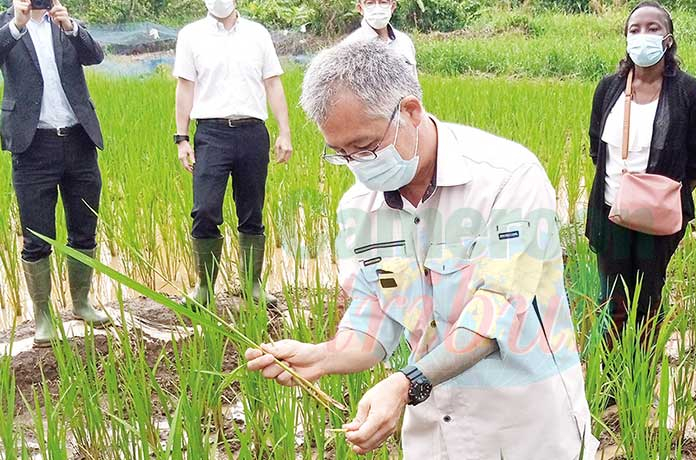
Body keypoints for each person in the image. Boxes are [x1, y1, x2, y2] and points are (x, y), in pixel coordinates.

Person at [245, 40, 598, 459]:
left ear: (410, 111)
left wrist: (405, 382)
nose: (358, 164)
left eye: (366, 146)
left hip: (524, 429)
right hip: (436, 435)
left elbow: (495, 312)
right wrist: (323, 357)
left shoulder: (507, 178)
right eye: (341, 154)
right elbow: (374, 312)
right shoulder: (360, 207)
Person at [586, 2, 696, 349]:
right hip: (610, 212)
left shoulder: (690, 92)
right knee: (613, 301)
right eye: (634, 29)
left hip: (659, 220)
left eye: (653, 28)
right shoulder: (608, 88)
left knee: (648, 299)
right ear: (626, 38)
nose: (643, 35)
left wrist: (662, 197)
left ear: (668, 39)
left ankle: (641, 373)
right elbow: (597, 148)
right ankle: (610, 377)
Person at [0, 0, 110, 347]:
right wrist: (17, 24)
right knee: (37, 235)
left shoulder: (63, 23)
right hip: (33, 146)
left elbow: (96, 55)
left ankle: (81, 303)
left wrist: (71, 27)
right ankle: (44, 316)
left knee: (84, 227)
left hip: (79, 139)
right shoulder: (7, 26)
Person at [173, 0, 293, 309]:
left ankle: (251, 284)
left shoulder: (257, 34)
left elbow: (273, 83)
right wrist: (182, 138)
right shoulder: (191, 35)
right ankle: (204, 287)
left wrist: (285, 132)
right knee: (204, 209)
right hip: (212, 134)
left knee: (252, 211)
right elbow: (185, 87)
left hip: (253, 131)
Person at [343, 0, 416, 73]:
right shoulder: (349, 47)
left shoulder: (405, 41)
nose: (377, 9)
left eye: (383, 2)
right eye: (370, 3)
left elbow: (413, 82)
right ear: (360, 8)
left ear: (393, 6)